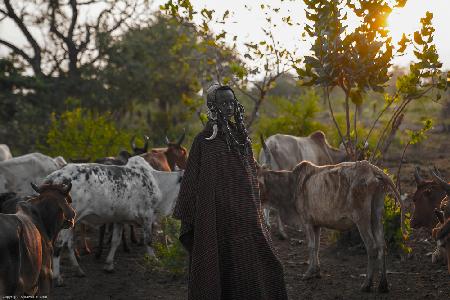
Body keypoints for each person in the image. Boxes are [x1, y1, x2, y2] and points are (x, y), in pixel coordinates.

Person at [173, 83, 288, 300]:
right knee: (219, 268)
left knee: (263, 264)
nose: (228, 106)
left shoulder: (242, 140)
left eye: (231, 102)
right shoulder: (204, 142)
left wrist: (253, 209)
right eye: (223, 102)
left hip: (245, 218)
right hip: (216, 220)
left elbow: (250, 179)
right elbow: (192, 183)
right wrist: (195, 215)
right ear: (213, 107)